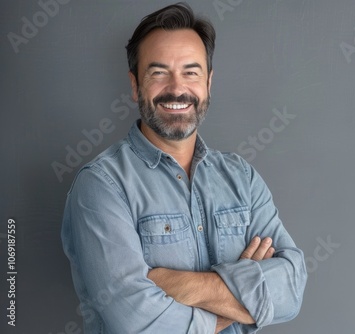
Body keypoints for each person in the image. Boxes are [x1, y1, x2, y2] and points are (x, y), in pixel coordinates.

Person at [61, 2, 307, 333]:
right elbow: (138, 323)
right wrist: (248, 299)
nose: (177, 88)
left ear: (208, 82)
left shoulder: (241, 178)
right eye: (159, 73)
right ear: (135, 85)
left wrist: (181, 285)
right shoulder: (102, 186)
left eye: (191, 72)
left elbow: (291, 290)